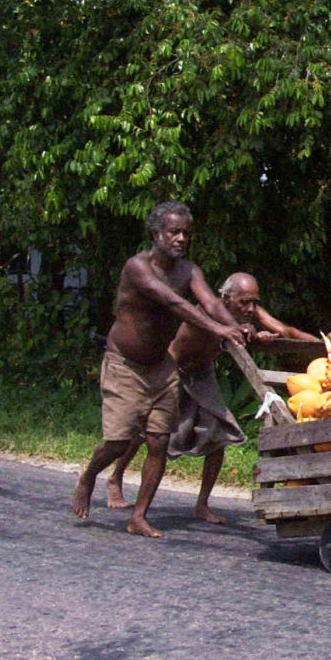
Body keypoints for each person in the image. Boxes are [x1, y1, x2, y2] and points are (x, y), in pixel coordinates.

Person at [70, 201, 248, 539]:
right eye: (174, 232)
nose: (181, 239)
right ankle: (89, 476)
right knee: (119, 440)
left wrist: (235, 326)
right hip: (125, 364)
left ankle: (139, 516)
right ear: (156, 234)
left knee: (158, 441)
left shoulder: (189, 270)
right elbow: (174, 303)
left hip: (161, 367)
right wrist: (219, 330)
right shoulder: (137, 268)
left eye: (186, 233)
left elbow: (210, 303)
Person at [104, 272, 323, 525]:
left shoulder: (250, 312)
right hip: (173, 372)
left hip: (202, 373)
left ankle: (202, 504)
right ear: (227, 299)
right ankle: (115, 477)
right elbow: (229, 331)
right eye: (244, 303)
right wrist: (249, 334)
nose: (250, 308)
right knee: (144, 430)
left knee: (219, 434)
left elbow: (285, 330)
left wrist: (325, 344)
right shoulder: (209, 311)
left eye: (254, 302)